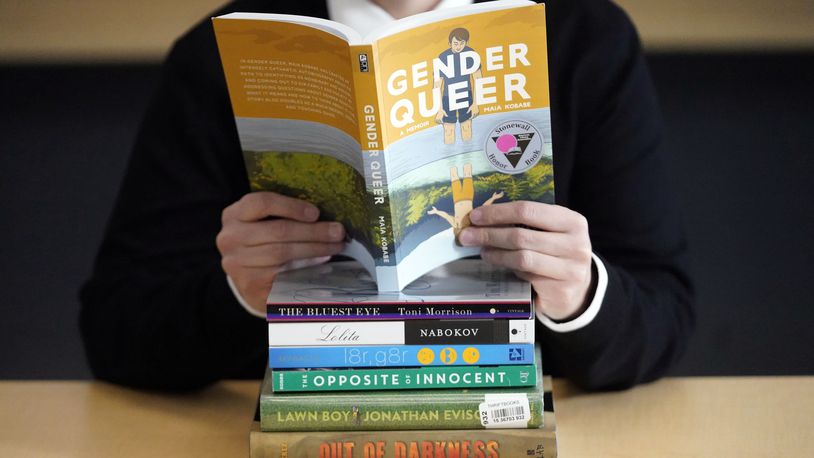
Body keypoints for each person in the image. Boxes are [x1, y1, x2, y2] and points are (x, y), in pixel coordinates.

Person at [80, 0, 695, 391]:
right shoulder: (220, 54)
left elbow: (666, 314)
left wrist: (580, 292)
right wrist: (238, 295)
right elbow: (116, 329)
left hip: (504, 414)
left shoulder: (585, 38)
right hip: (302, 418)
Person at [427, 163, 504, 242]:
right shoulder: (472, 222)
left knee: (453, 174)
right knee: (467, 171)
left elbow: (446, 216)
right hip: (468, 196)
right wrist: (493, 198)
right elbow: (483, 207)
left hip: (457, 198)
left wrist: (436, 212)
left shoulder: (456, 225)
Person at [434, 27, 482, 144]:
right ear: (449, 43)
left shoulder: (471, 54)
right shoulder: (443, 57)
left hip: (466, 95)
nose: (458, 46)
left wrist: (475, 104)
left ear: (466, 42)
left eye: (462, 43)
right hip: (448, 97)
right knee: (449, 130)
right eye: (455, 43)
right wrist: (439, 109)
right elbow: (437, 85)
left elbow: (478, 79)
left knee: (466, 127)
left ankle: (469, 160)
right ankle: (450, 161)